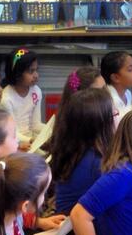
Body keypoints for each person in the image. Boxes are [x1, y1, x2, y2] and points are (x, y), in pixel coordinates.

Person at [50, 88, 117, 216]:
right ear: (101, 124)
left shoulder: (75, 150)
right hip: (77, 230)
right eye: (114, 115)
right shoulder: (96, 162)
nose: (117, 119)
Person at [43, 66, 106, 156]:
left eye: (105, 88)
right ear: (85, 97)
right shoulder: (83, 135)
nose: (107, 94)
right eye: (101, 91)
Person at [0, 48, 44, 151]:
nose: (36, 75)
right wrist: (31, 140)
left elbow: (36, 124)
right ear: (17, 74)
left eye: (36, 70)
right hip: (13, 144)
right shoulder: (6, 99)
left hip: (30, 141)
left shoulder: (36, 91)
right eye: (31, 71)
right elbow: (12, 133)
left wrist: (53, 131)